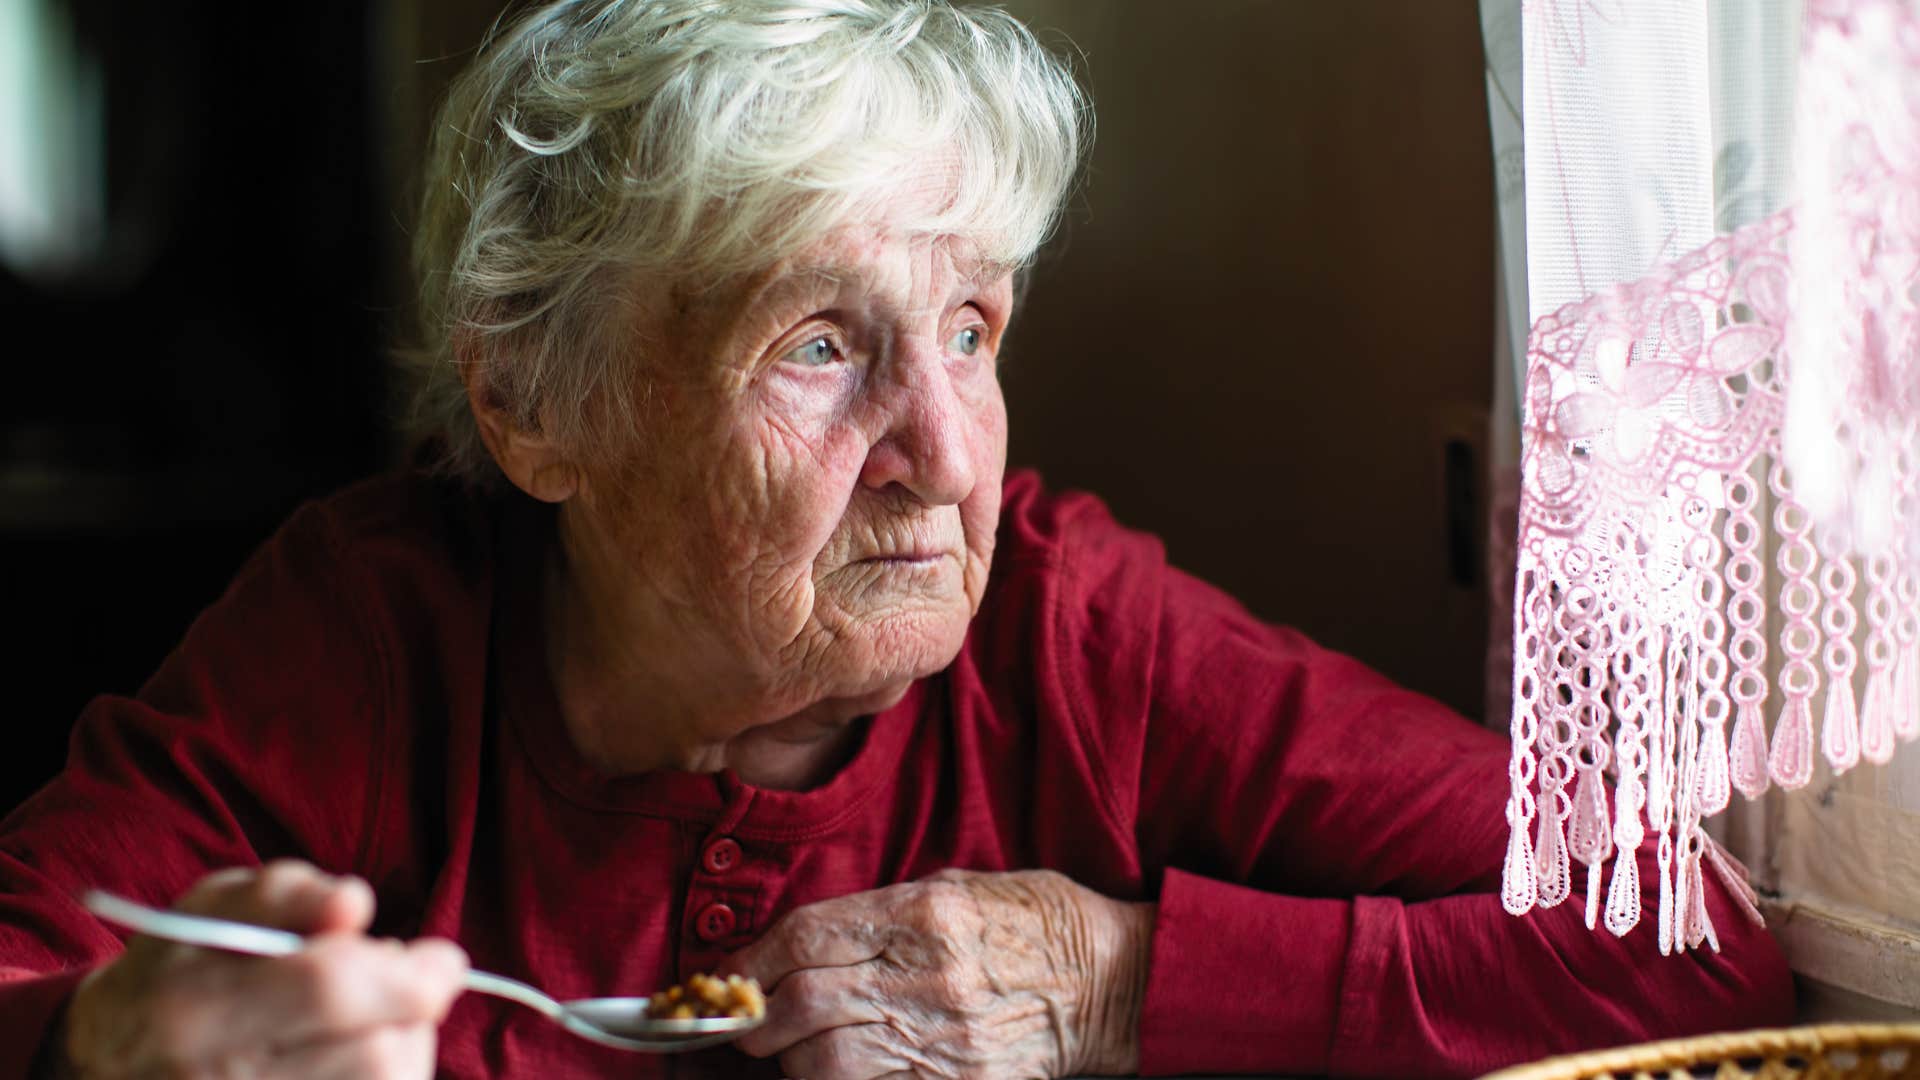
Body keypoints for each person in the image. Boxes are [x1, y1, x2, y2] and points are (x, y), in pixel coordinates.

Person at [0, 1, 1792, 1076]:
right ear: (538, 410)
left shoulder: (1076, 635)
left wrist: (1119, 982)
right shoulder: (371, 632)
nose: (945, 457)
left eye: (972, 329)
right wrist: (107, 1047)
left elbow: (1687, 950)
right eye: (819, 345)